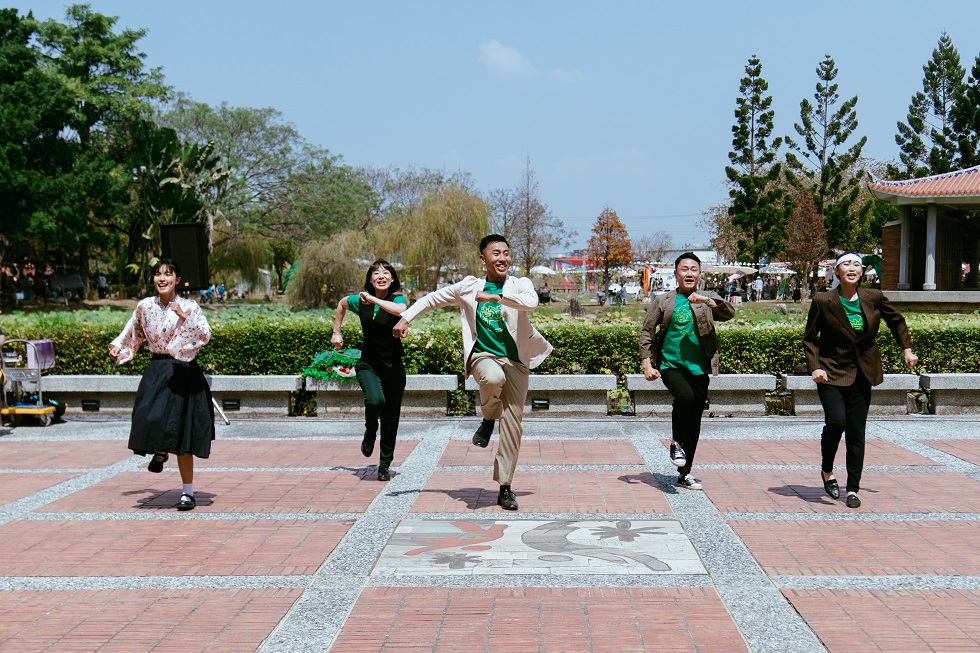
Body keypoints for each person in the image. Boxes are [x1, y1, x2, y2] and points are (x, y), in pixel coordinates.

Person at [393, 235, 552, 511]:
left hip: (516, 361)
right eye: (495, 253)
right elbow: (432, 299)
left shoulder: (519, 284)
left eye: (506, 253)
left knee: (513, 425)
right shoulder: (469, 286)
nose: (502, 258)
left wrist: (498, 297)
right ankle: (489, 416)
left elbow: (530, 302)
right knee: (492, 378)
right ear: (483, 259)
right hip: (483, 355)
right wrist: (406, 317)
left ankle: (505, 487)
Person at [805, 252, 918, 509]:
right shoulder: (824, 300)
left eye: (857, 264)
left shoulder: (873, 297)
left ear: (862, 271)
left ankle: (853, 488)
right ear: (837, 272)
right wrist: (815, 367)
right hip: (831, 371)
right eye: (847, 264)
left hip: (863, 373)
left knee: (856, 432)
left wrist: (906, 349)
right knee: (836, 422)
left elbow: (896, 320)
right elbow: (810, 338)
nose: (852, 268)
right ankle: (827, 471)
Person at [109, 259, 214, 511]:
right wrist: (119, 348)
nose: (162, 278)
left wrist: (184, 318)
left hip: (183, 371)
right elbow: (132, 331)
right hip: (157, 369)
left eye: (168, 274)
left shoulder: (189, 306)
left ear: (178, 279)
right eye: (157, 274)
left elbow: (205, 334)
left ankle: (187, 493)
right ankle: (160, 450)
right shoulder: (144, 306)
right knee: (147, 416)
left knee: (183, 434)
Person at [639, 252, 735, 491]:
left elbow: (730, 313)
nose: (689, 273)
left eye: (694, 269)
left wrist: (708, 302)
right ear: (676, 274)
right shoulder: (664, 301)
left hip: (700, 367)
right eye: (684, 269)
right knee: (685, 397)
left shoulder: (708, 297)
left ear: (699, 274)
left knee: (694, 421)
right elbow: (647, 332)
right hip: (671, 365)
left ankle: (685, 473)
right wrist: (647, 363)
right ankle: (675, 443)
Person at [332, 259, 407, 481]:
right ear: (370, 278)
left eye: (386, 273)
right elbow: (342, 303)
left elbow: (400, 310)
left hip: (393, 367)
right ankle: (370, 430)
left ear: (392, 279)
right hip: (368, 364)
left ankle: (384, 466)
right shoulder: (359, 301)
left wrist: (372, 298)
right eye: (376, 273)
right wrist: (337, 331)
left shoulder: (396, 299)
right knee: (375, 401)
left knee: (391, 418)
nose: (381, 276)